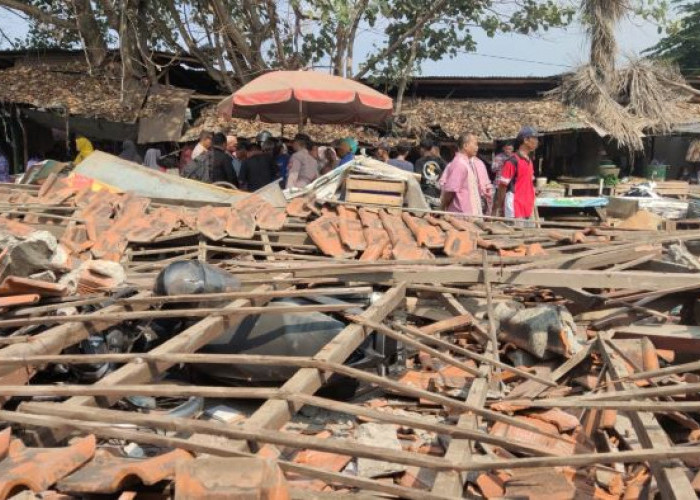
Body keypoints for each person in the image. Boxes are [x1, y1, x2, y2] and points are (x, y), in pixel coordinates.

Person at [440, 133, 493, 216]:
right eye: (475, 144)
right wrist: (442, 209)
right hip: (461, 214)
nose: (477, 147)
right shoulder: (459, 163)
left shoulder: (469, 163)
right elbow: (450, 191)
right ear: (465, 146)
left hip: (470, 213)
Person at [495, 126, 539, 221]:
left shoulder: (529, 161)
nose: (537, 141)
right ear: (525, 140)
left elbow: (528, 182)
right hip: (514, 207)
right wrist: (500, 207)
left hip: (527, 206)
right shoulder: (512, 161)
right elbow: (503, 186)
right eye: (534, 138)